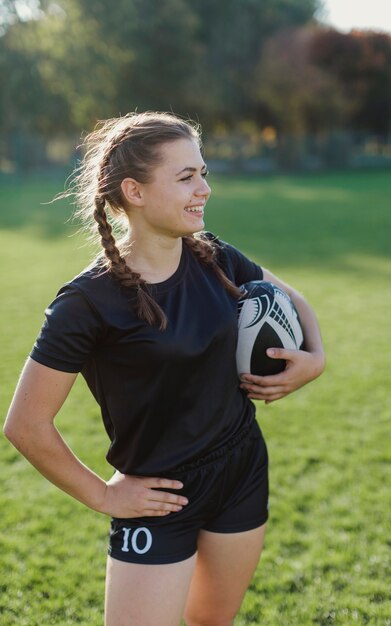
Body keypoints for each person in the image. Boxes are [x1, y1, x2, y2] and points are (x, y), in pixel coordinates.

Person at [3, 111, 325, 626]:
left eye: (203, 173)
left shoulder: (214, 257)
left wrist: (315, 359)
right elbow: (26, 425)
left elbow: (293, 299)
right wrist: (104, 494)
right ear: (134, 190)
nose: (204, 188)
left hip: (240, 472)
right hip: (157, 498)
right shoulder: (86, 303)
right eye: (185, 177)